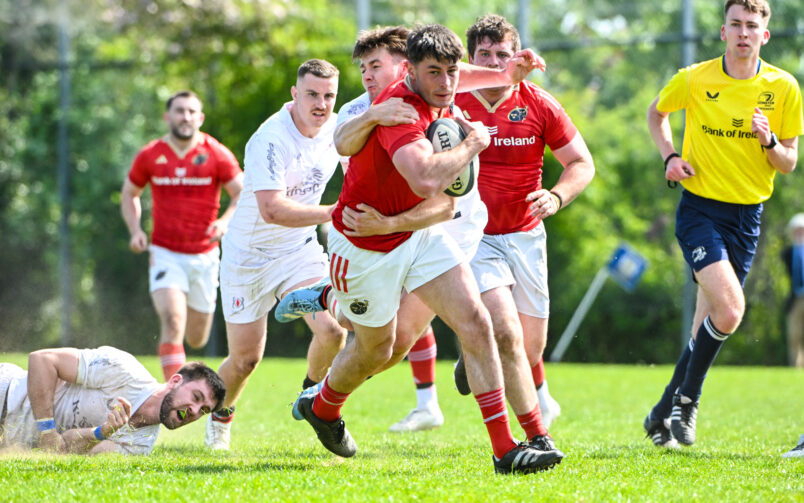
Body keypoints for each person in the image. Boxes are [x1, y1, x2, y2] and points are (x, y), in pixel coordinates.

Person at [291, 24, 562, 474]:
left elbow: (445, 203)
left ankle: (511, 447)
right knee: (378, 350)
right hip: (362, 247)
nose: (447, 82)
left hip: (419, 235)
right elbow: (424, 179)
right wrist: (473, 142)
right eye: (434, 72)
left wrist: (510, 72)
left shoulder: (443, 93)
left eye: (452, 71)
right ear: (411, 71)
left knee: (476, 322)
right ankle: (322, 405)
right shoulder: (400, 110)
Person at [644, 0, 802, 448]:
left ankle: (660, 414)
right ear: (723, 31)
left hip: (747, 218)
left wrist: (768, 140)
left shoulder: (784, 87)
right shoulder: (695, 78)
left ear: (764, 35)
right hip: (699, 210)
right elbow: (657, 113)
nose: (743, 33)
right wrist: (670, 157)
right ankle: (687, 402)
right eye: (735, 24)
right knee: (731, 311)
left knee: (708, 324)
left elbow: (788, 162)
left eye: (752, 26)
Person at [452, 14, 595, 430]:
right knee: (505, 331)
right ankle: (527, 436)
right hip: (474, 236)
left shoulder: (539, 103)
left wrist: (556, 195)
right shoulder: (451, 101)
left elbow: (581, 163)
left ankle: (474, 350)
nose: (495, 63)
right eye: (484, 54)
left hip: (526, 235)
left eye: (503, 54)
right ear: (471, 59)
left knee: (530, 350)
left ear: (516, 57)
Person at [204, 59, 348, 451]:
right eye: (312, 94)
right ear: (295, 94)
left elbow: (359, 173)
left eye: (329, 96)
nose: (321, 104)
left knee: (333, 331)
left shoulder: (338, 129)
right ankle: (220, 417)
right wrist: (334, 213)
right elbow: (271, 210)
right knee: (245, 360)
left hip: (298, 249)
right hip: (248, 257)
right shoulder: (270, 138)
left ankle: (311, 396)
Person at [121, 90, 244, 381]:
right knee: (173, 321)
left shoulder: (216, 153)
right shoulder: (151, 154)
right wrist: (136, 230)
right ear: (168, 117)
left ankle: (180, 379)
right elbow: (129, 193)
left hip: (205, 255)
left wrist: (225, 222)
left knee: (197, 337)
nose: (185, 117)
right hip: (165, 252)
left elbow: (242, 192)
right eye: (179, 111)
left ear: (200, 118)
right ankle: (174, 393)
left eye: (191, 112)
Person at [0, 346, 225, 455]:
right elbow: (42, 359)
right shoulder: (124, 370)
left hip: (9, 443)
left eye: (204, 410)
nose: (195, 411)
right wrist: (47, 431)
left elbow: (65, 450)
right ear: (175, 381)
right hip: (6, 393)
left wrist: (101, 432)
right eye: (196, 397)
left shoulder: (141, 445)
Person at [782, 213, 804, 367]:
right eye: (797, 231)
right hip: (795, 297)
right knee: (793, 334)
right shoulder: (787, 253)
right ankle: (796, 366)